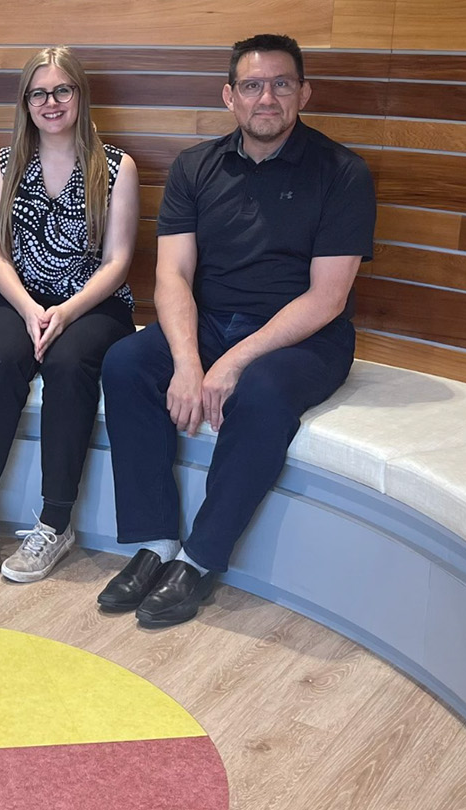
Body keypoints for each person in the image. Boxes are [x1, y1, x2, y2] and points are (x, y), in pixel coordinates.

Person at [98, 34, 376, 627]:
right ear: (230, 96)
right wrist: (188, 361)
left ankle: (199, 559)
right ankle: (154, 543)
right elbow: (171, 275)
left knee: (263, 391)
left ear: (303, 93)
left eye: (281, 84)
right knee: (125, 363)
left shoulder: (343, 173)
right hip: (211, 325)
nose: (267, 97)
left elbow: (327, 298)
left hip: (305, 338)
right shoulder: (195, 168)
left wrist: (231, 363)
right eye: (252, 85)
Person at [0, 47, 139, 583]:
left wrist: (65, 312)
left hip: (94, 304)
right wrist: (34, 310)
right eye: (39, 93)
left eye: (63, 90)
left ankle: (56, 523)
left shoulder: (116, 166)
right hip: (20, 298)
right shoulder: (4, 163)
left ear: (80, 96)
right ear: (26, 102)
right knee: (2, 361)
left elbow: (119, 261)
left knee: (67, 367)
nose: (51, 102)